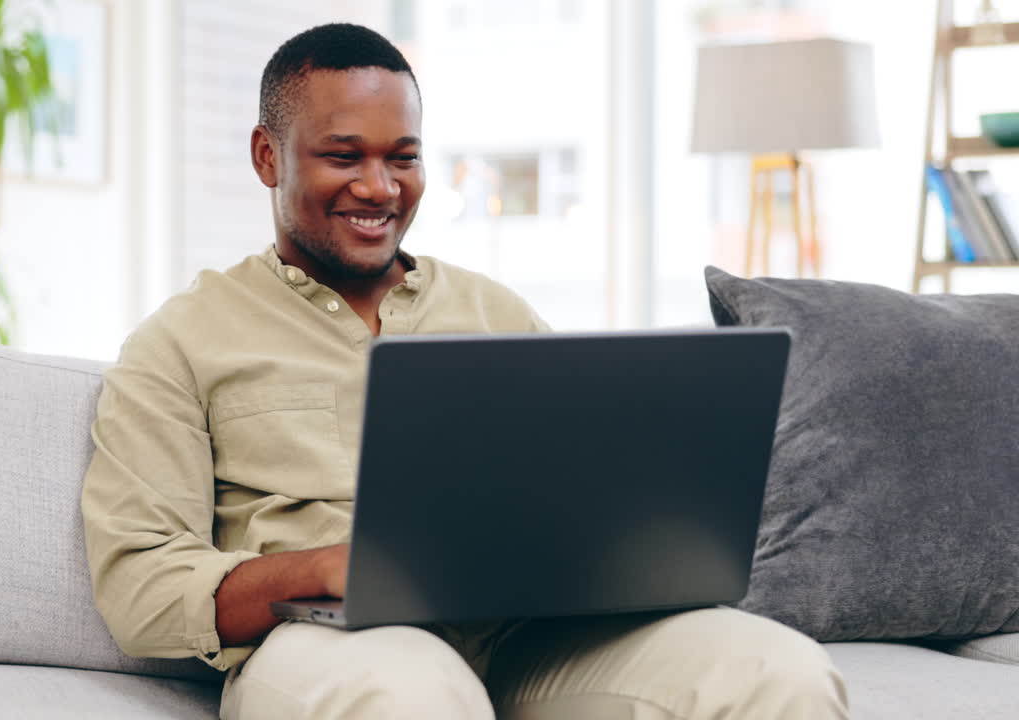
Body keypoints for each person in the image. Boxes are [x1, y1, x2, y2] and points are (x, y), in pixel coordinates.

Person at [81, 22, 849, 720]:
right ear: (266, 155)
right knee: (411, 693)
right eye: (344, 156)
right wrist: (323, 570)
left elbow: (583, 488)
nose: (379, 187)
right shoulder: (179, 342)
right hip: (330, 648)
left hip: (528, 637)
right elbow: (141, 585)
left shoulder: (497, 313)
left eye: (403, 157)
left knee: (776, 671)